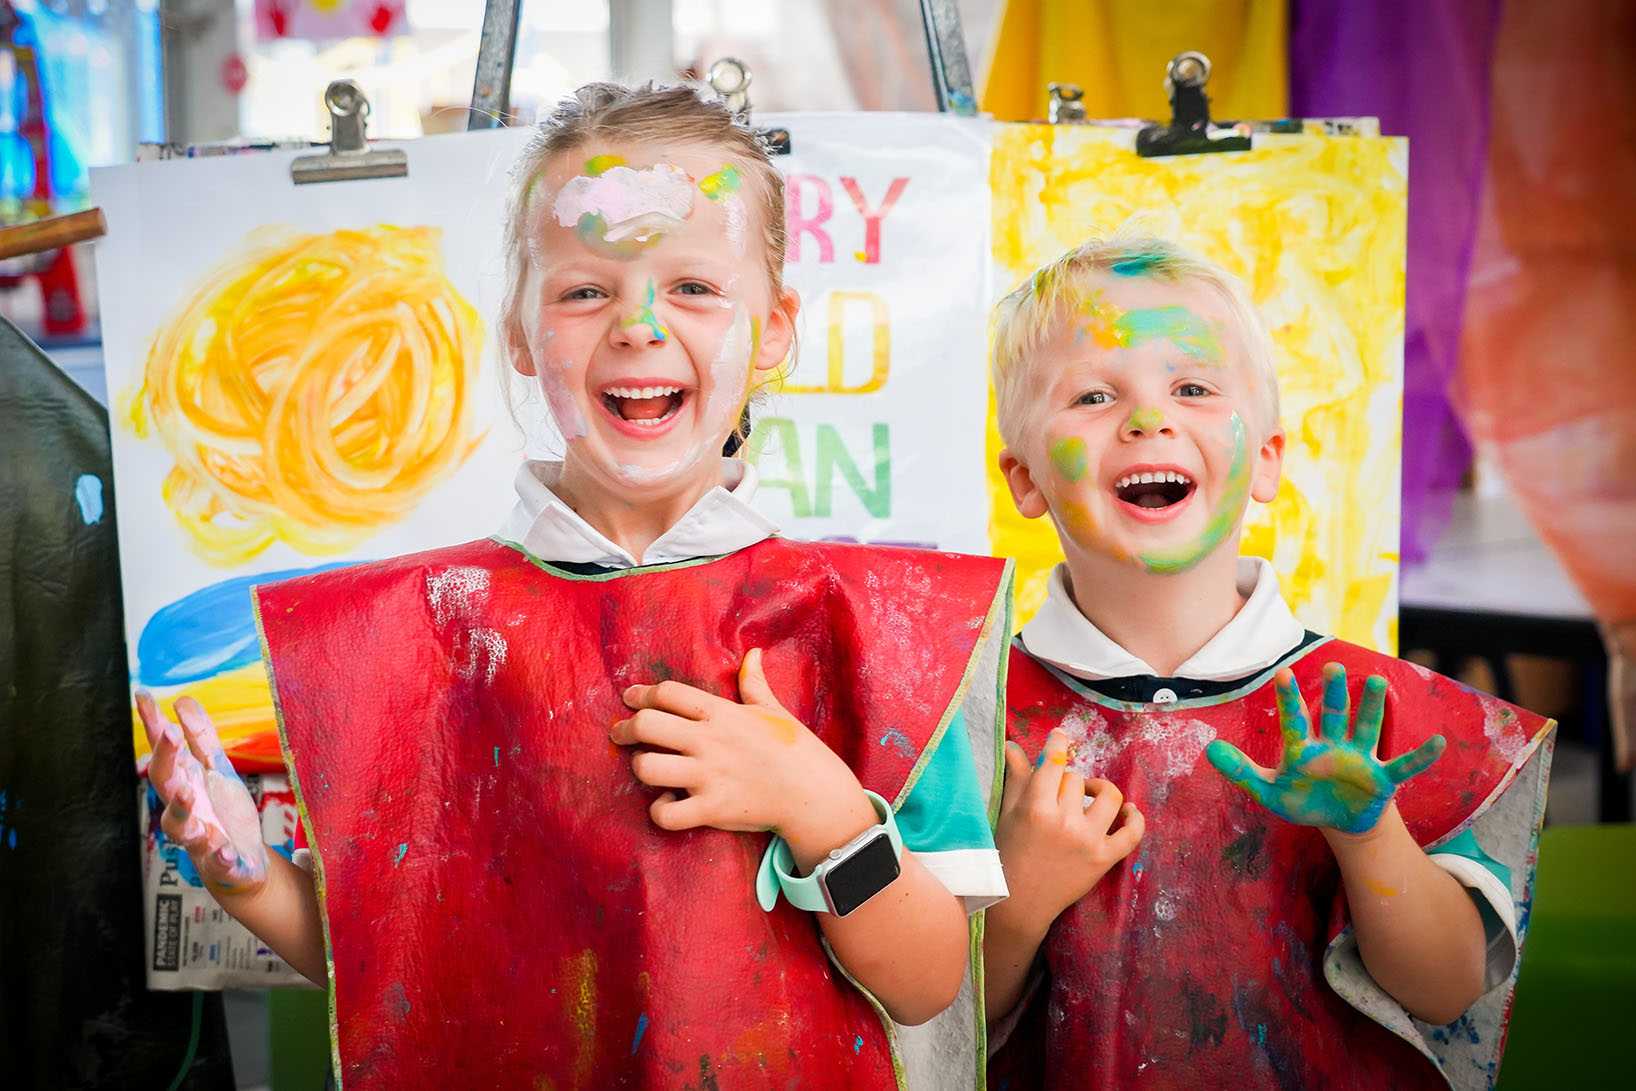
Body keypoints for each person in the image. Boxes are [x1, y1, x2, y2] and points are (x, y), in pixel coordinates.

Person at [138, 82, 1011, 1088]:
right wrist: (249, 875)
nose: (638, 324)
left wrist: (820, 807)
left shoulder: (881, 627)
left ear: (772, 329)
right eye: (585, 291)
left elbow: (926, 981)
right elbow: (401, 972)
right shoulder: (408, 632)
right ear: (518, 332)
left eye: (692, 287)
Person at [981, 235, 1554, 1090]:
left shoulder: (1369, 712)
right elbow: (922, 1030)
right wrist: (1017, 901)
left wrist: (1368, 837)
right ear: (1025, 479)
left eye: (1193, 388)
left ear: (1268, 460)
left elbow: (1445, 992)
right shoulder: (968, 721)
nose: (1147, 419)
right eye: (1096, 395)